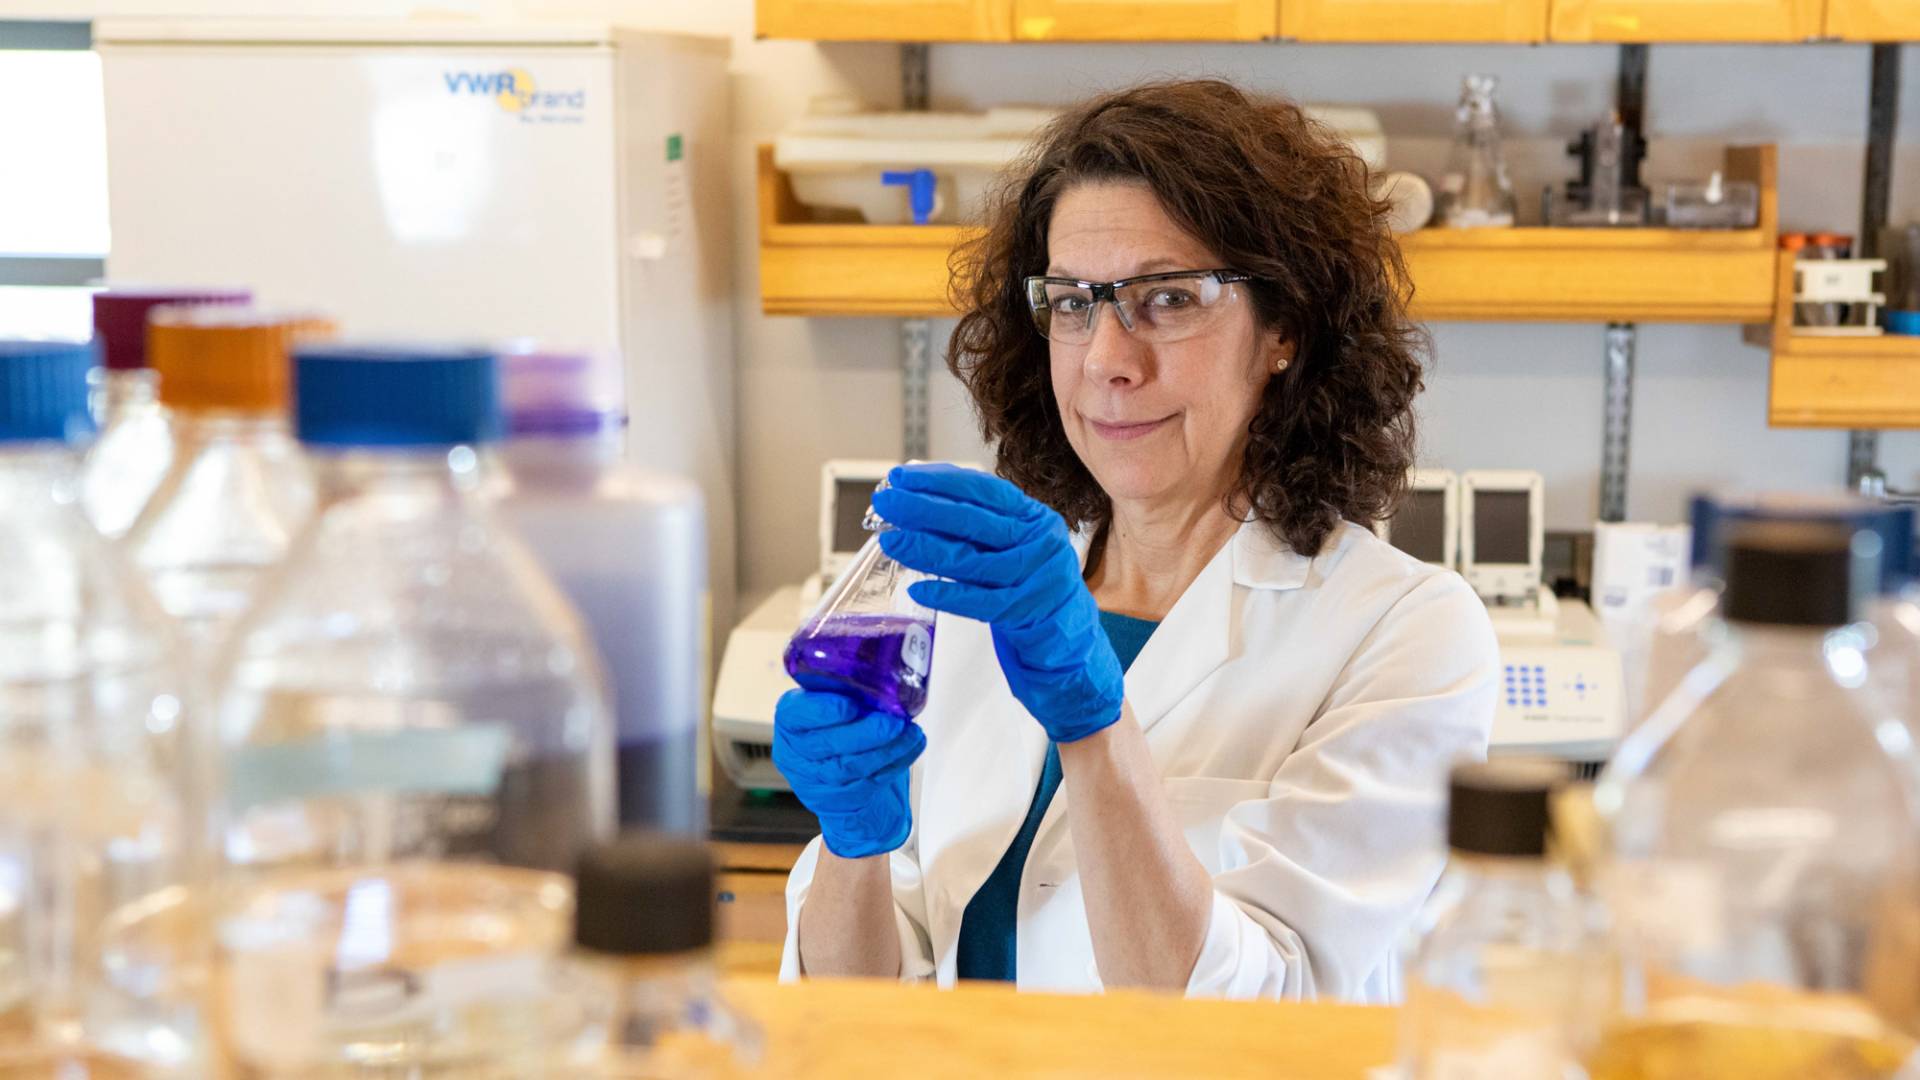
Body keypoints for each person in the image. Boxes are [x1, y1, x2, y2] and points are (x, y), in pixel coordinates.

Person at [772, 79, 1498, 1001]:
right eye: (1073, 301)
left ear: (1285, 328)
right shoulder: (975, 600)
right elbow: (856, 1016)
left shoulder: (1406, 633)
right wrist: (853, 847)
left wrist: (1093, 723)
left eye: (1167, 298)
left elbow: (1263, 1020)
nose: (1109, 358)